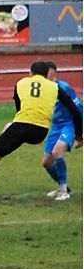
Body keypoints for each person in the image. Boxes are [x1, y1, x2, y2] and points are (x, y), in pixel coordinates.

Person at [0, 61, 82, 190]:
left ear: (30, 73)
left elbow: (19, 109)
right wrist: (79, 135)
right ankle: (63, 187)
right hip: (41, 131)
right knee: (45, 160)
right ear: (46, 75)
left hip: (32, 125)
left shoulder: (21, 83)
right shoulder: (54, 87)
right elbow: (74, 110)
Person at [41, 62, 82, 200]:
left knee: (57, 152)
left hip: (69, 125)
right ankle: (62, 187)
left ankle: (64, 190)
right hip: (56, 126)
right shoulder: (44, 90)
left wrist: (80, 134)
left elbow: (78, 109)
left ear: (51, 74)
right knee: (47, 162)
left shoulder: (63, 88)